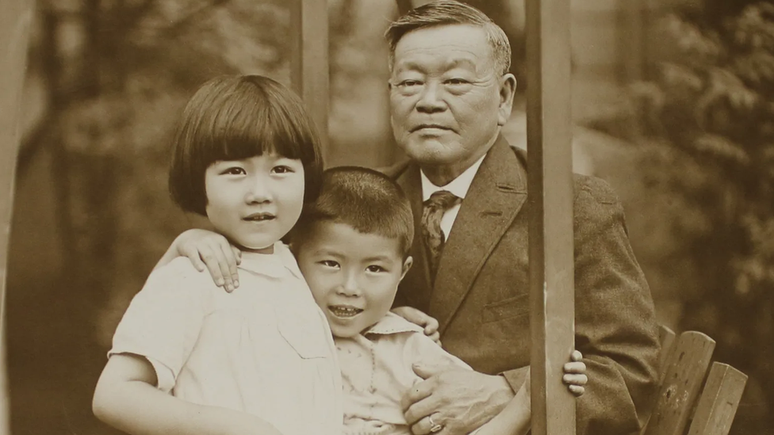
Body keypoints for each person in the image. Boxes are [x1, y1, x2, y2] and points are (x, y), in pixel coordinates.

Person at [161, 2, 661, 435]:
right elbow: (259, 271)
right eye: (410, 82)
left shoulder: (569, 206)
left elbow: (630, 374)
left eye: (456, 82)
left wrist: (504, 392)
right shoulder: (346, 203)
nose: (428, 100)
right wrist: (194, 243)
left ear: (504, 98)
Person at [91, 75, 342, 435]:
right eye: (235, 171)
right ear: (199, 183)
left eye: (281, 169)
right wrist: (236, 428)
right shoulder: (194, 275)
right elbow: (114, 395)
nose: (260, 192)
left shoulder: (300, 269)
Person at [291, 166, 588, 435]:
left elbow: (470, 423)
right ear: (291, 257)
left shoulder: (409, 346)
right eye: (330, 264)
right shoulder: (276, 325)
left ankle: (531, 395)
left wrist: (529, 396)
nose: (350, 287)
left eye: (374, 269)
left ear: (402, 272)